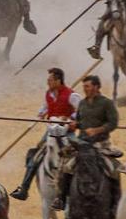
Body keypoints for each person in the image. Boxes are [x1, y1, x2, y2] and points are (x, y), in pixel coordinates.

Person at [51, 75, 121, 211]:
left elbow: (113, 123)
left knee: (112, 169)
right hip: (82, 143)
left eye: (87, 86)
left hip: (101, 143)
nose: (85, 89)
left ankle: (116, 202)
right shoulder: (82, 103)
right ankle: (61, 198)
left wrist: (98, 130)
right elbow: (79, 121)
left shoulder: (107, 103)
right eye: (84, 87)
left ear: (96, 87)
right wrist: (74, 125)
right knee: (66, 166)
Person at [11, 67, 81, 200]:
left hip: (67, 132)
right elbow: (44, 108)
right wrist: (40, 115)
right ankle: (24, 188)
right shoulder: (48, 94)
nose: (47, 82)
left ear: (58, 80)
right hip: (50, 132)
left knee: (80, 155)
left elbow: (81, 111)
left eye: (50, 80)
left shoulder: (72, 95)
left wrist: (70, 118)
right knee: (35, 156)